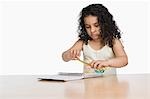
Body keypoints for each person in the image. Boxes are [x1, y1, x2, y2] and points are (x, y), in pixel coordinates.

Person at [62, 4, 128, 75]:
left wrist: (107, 62)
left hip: (110, 84)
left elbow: (124, 60)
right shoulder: (83, 42)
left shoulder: (113, 41)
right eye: (88, 27)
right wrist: (69, 55)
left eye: (96, 25)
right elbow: (64, 57)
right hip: (89, 84)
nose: (92, 30)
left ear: (105, 24)